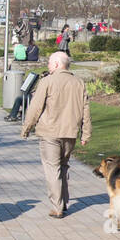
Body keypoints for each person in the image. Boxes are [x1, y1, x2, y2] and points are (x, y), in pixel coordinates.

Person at [20, 51, 92, 218]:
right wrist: (85, 133)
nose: (48, 66)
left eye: (50, 63)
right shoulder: (78, 82)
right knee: (63, 166)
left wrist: (26, 128)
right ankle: (64, 201)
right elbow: (85, 110)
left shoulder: (47, 81)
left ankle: (57, 206)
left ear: (58, 64)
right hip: (70, 132)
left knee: (52, 169)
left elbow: (35, 107)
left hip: (50, 132)